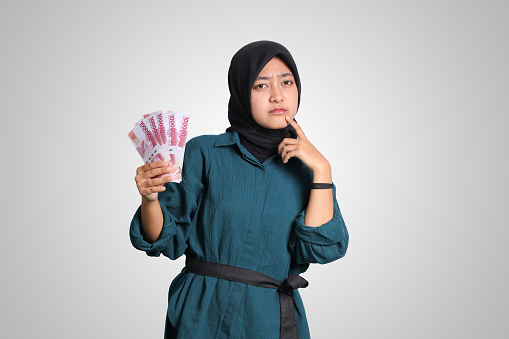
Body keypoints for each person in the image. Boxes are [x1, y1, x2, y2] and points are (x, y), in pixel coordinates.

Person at [130, 40, 349, 339]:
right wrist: (150, 199)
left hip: (269, 320)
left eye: (287, 82)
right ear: (241, 92)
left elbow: (321, 249)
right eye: (261, 85)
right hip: (201, 313)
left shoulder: (307, 171)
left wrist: (323, 170)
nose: (277, 95)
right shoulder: (205, 152)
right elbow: (164, 240)